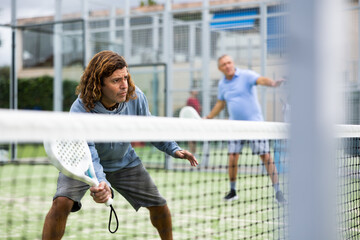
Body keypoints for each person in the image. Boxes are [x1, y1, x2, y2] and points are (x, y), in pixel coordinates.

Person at [42, 50, 198, 240]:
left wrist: (174, 148)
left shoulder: (135, 96)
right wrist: (102, 183)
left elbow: (148, 126)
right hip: (83, 161)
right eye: (116, 81)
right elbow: (89, 151)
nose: (124, 85)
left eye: (125, 77)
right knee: (61, 203)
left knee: (159, 205)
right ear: (98, 84)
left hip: (124, 162)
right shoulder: (81, 108)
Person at [206, 54, 285, 204]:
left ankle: (278, 192)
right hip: (235, 126)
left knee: (266, 157)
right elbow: (221, 103)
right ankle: (233, 191)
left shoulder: (246, 75)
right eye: (223, 64)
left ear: (232, 63)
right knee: (232, 157)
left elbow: (261, 80)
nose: (227, 66)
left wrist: (273, 83)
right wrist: (209, 117)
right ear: (219, 68)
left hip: (255, 125)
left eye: (229, 62)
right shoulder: (222, 84)